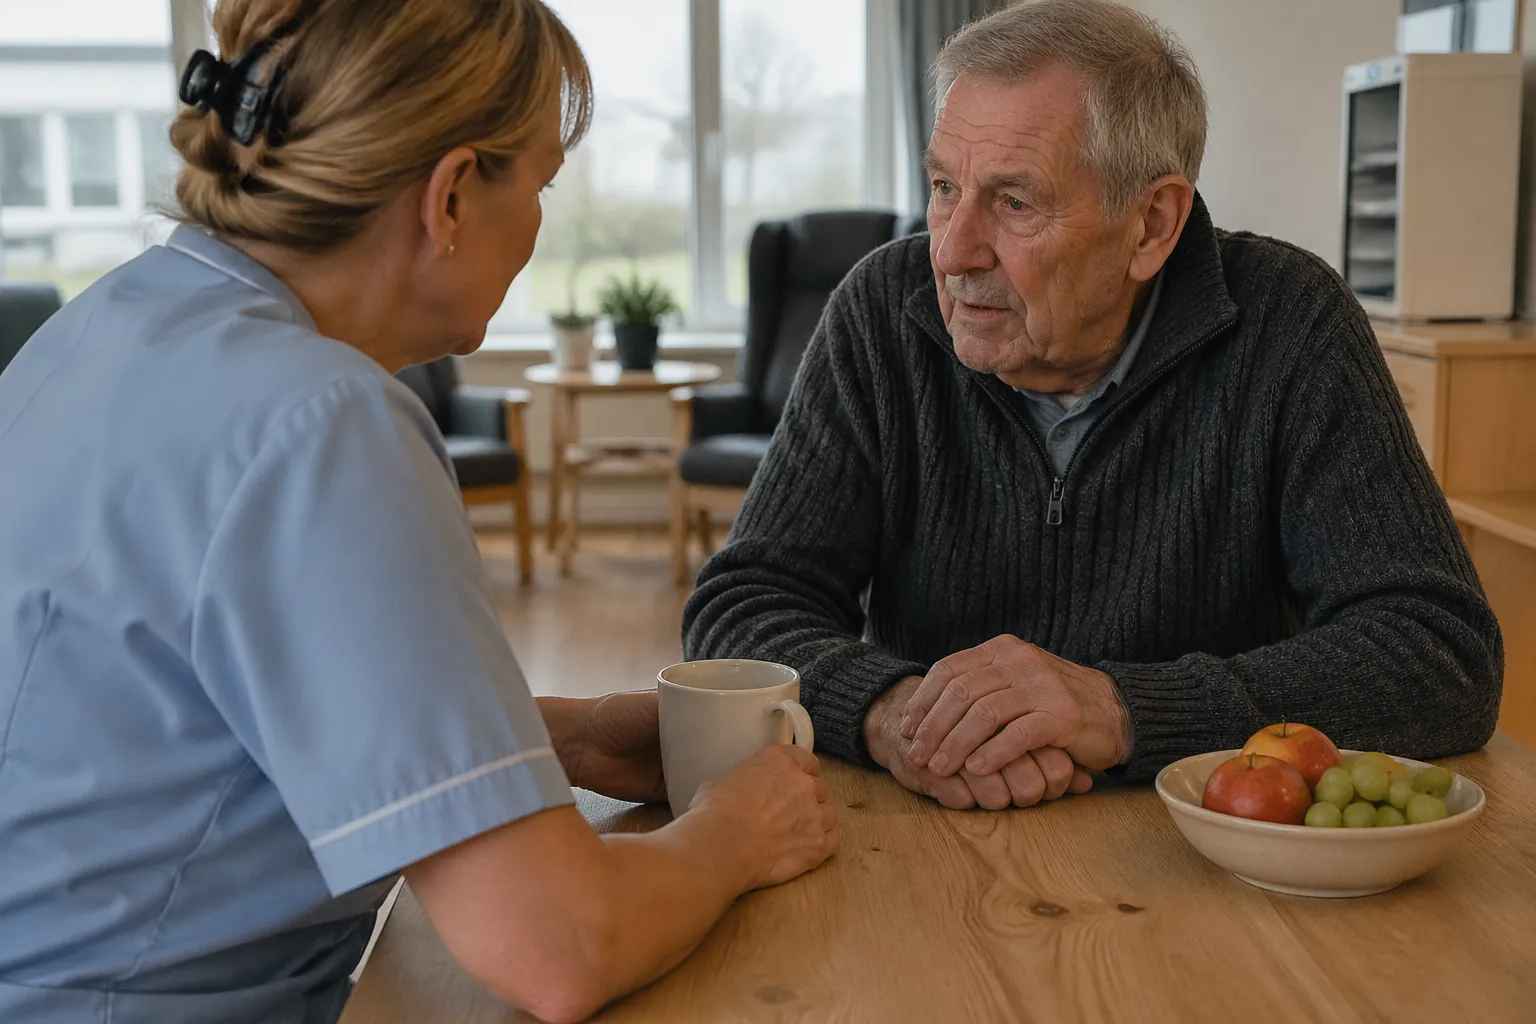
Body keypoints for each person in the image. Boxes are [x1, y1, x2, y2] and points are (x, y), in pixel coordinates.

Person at [0, 2, 836, 1021]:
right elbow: (561, 945)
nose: (539, 221)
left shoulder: (103, 326)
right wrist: (738, 831)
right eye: (540, 184)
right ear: (450, 197)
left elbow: (178, 730)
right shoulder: (322, 420)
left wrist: (557, 742)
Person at [682, 0, 1502, 812]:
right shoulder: (880, 312)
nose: (952, 251)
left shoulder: (1291, 324)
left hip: (1206, 849)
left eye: (1014, 202)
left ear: (1151, 224)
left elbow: (1441, 653)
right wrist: (894, 715)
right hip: (933, 832)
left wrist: (1121, 711)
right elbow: (741, 605)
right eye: (944, 186)